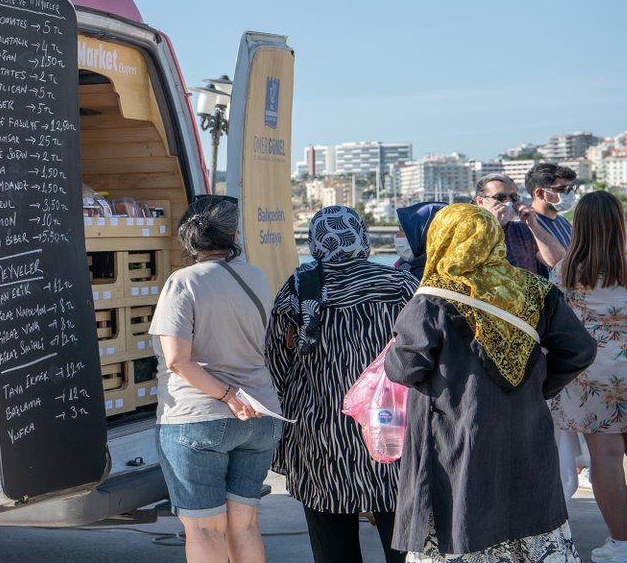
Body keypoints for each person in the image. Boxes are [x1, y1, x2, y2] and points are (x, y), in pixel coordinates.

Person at [384, 203, 596, 562]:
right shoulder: (534, 290)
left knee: (463, 521)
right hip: (526, 430)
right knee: (528, 519)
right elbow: (580, 349)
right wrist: (539, 387)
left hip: (455, 437)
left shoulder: (434, 300)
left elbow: (403, 369)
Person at [266, 206, 417, 563]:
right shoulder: (399, 284)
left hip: (320, 435)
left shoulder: (298, 289)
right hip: (390, 430)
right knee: (403, 538)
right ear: (361, 238)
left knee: (331, 538)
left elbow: (276, 361)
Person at [150, 194, 283, 563]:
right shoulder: (256, 277)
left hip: (198, 419)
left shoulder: (182, 283)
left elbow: (178, 360)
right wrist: (239, 398)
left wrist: (227, 395)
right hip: (260, 415)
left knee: (205, 529)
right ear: (234, 235)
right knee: (244, 526)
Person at [551, 192, 627, 563]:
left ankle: (621, 546)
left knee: (605, 457)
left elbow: (558, 330)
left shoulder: (563, 273)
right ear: (619, 222)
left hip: (587, 377)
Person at [473, 173, 564, 274]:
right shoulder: (468, 230)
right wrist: (493, 227)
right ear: (480, 202)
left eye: (513, 197)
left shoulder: (522, 229)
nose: (508, 202)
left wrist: (533, 225)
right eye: (500, 197)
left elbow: (559, 262)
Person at [526, 162, 579, 252]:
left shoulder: (563, 222)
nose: (570, 193)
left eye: (571, 188)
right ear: (540, 193)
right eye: (563, 189)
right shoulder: (525, 226)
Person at [393, 202, 446, 280]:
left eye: (402, 230)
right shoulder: (402, 266)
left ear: (423, 233)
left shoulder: (446, 276)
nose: (397, 235)